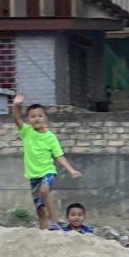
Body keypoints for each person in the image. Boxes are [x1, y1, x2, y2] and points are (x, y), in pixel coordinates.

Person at [10, 93, 82, 230]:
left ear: (45, 118)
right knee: (40, 210)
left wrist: (71, 170)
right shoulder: (27, 132)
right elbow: (16, 118)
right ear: (28, 120)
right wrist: (16, 105)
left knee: (44, 190)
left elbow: (59, 156)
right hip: (33, 175)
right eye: (33, 116)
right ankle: (43, 232)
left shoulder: (51, 137)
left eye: (40, 116)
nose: (37, 118)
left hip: (47, 171)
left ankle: (54, 221)